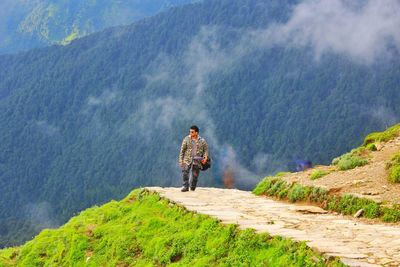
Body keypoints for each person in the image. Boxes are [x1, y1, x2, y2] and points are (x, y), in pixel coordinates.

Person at [178, 125, 209, 192]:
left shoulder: (202, 141)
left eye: (192, 132)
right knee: (185, 172)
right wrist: (181, 160)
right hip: (187, 159)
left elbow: (206, 150)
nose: (190, 133)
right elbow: (182, 150)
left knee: (195, 175)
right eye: (190, 132)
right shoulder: (186, 139)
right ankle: (185, 186)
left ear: (196, 133)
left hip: (197, 160)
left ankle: (192, 187)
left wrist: (205, 157)